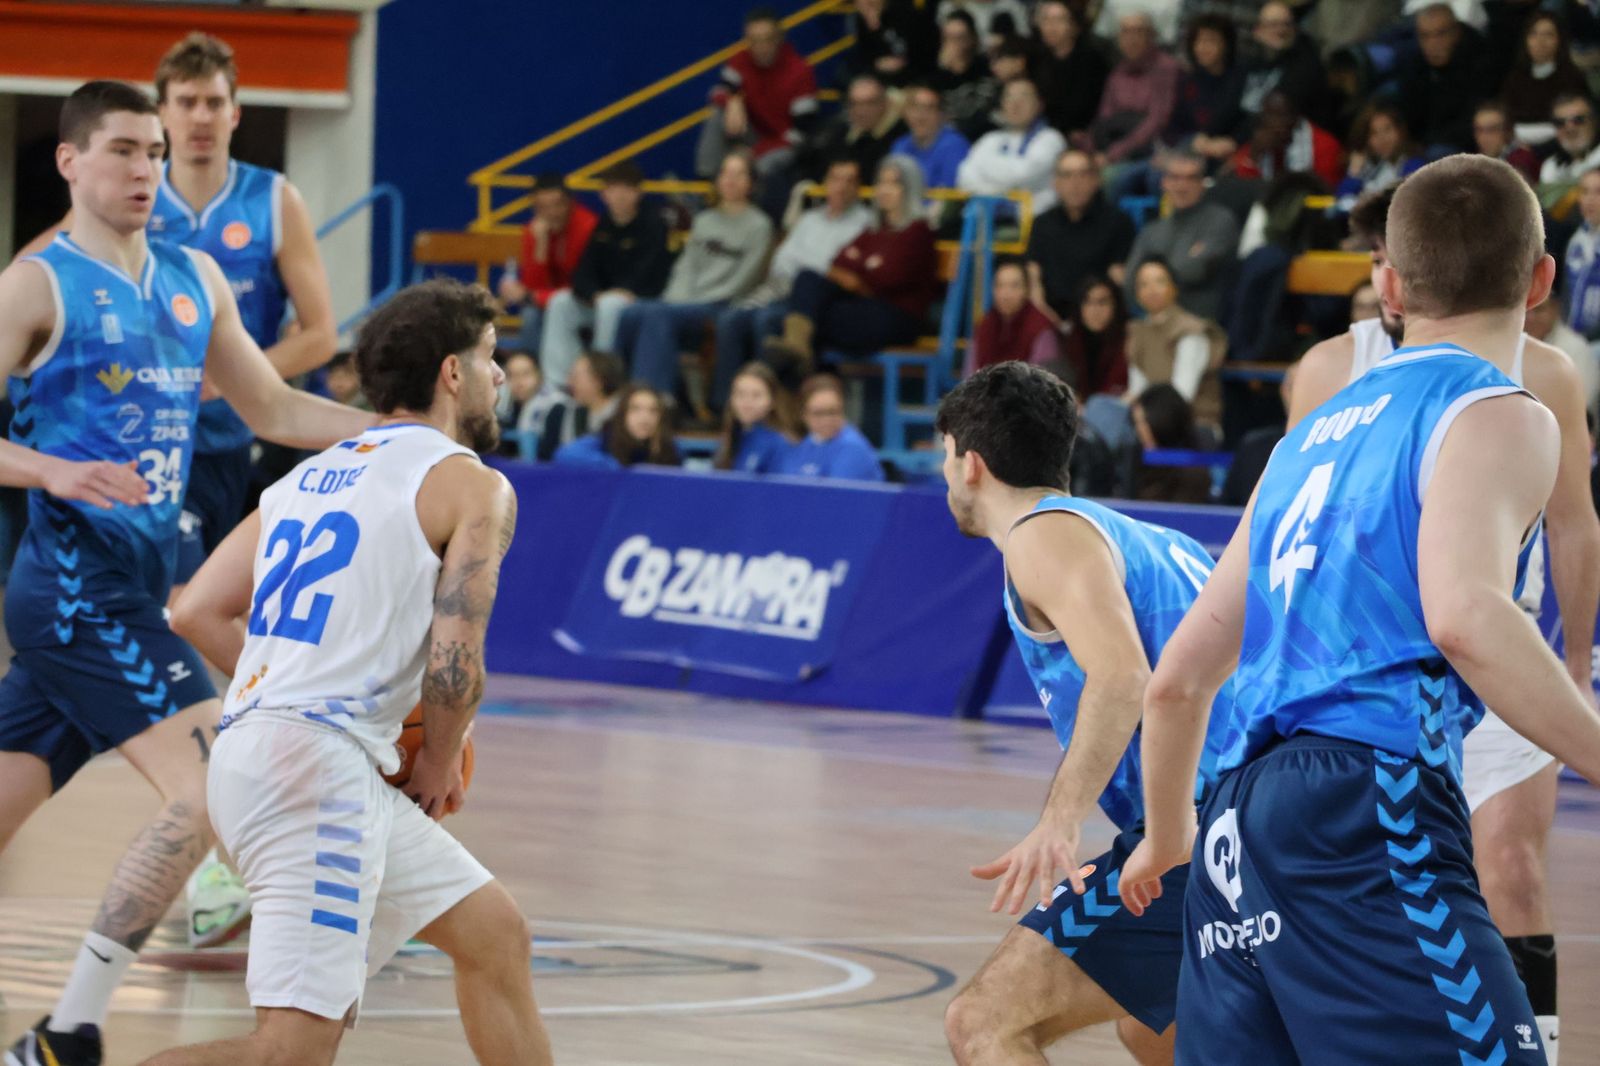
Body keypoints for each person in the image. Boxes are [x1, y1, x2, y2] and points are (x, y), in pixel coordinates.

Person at [1122, 153, 1600, 1066]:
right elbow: (1465, 615)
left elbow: (1178, 682)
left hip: (1237, 820)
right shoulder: (1500, 407)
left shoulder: (1307, 435)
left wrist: (1168, 841)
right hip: (1366, 800)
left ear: (1395, 280)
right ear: (1542, 280)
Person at [0, 81, 375, 1066]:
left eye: (155, 152)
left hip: (123, 588)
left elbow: (275, 410)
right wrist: (49, 467)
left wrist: (405, 438)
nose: (144, 170)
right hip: (78, 588)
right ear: (71, 162)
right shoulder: (39, 283)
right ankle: (69, 1028)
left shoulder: (193, 276)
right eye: (123, 150)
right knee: (213, 788)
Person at [142, 279, 552, 1066]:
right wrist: (432, 757)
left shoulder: (301, 482)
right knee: (289, 1053)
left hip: (266, 752)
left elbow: (196, 611)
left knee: (493, 934)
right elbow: (456, 661)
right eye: (491, 357)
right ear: (452, 373)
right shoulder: (473, 484)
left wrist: (295, 688)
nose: (501, 375)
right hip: (315, 772)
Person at [1286, 173, 1600, 1062]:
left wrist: (1575, 668)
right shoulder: (1328, 371)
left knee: (1510, 868)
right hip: (1369, 666)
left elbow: (1575, 525)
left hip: (1501, 647)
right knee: (1378, 894)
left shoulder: (1544, 375)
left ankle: (1531, 1046)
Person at [935, 361, 1236, 1066]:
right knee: (1155, 1027)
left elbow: (1124, 675)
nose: (943, 475)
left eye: (943, 458)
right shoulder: (1153, 540)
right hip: (1268, 812)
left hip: (1211, 823)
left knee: (983, 1023)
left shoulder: (1043, 537)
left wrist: (1058, 821)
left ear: (971, 464)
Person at [712, 156, 873, 412]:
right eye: (835, 179)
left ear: (859, 187)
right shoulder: (810, 218)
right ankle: (724, 408)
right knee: (730, 320)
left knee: (765, 321)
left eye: (849, 181)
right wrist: (816, 265)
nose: (840, 187)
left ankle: (771, 408)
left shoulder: (865, 223)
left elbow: (841, 272)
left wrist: (808, 264)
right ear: (825, 183)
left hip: (820, 303)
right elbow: (781, 261)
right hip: (781, 289)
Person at [762, 155, 938, 380]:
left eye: (894, 183)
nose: (885, 190)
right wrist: (863, 270)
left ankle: (806, 386)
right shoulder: (875, 229)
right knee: (808, 279)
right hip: (866, 306)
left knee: (805, 320)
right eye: (881, 182)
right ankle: (806, 372)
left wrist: (858, 274)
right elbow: (840, 263)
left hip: (898, 317)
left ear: (910, 188)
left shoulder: (918, 231)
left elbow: (889, 278)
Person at [613, 150, 772, 397]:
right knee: (631, 313)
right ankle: (618, 392)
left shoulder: (760, 225)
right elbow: (685, 267)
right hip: (688, 304)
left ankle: (655, 399)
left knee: (657, 314)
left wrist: (696, 301)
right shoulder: (705, 220)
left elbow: (747, 278)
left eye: (739, 174)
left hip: (722, 305)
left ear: (750, 183)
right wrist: (675, 300)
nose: (730, 180)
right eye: (725, 173)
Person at [538, 161, 672, 390]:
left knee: (610, 305)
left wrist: (624, 292)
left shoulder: (653, 224)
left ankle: (599, 382)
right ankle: (559, 383)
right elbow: (583, 272)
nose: (618, 196)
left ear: (638, 192)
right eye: (612, 189)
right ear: (603, 194)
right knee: (560, 303)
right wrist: (594, 294)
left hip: (640, 302)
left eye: (625, 189)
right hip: (603, 301)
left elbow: (654, 273)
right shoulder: (603, 225)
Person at [696, 6, 819, 179]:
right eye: (754, 40)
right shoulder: (740, 59)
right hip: (752, 134)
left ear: (779, 39)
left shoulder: (800, 71)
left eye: (767, 39)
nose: (761, 47)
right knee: (718, 114)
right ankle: (705, 182)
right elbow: (718, 92)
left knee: (766, 163)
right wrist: (733, 100)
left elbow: (801, 133)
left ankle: (747, 194)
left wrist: (754, 153)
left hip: (783, 143)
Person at [1122, 152, 1240, 322]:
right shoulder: (1152, 231)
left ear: (1202, 184)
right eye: (1175, 178)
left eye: (1191, 178)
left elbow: (1194, 270)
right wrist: (1184, 259)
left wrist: (1152, 279)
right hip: (1157, 327)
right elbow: (1130, 284)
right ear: (1164, 183)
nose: (1182, 186)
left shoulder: (1220, 220)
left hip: (1203, 325)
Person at [1026, 148, 1135, 322]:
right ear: (1055, 182)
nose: (1075, 183)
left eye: (1083, 175)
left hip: (1101, 321)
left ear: (1096, 180)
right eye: (1067, 175)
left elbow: (1119, 279)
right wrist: (1048, 321)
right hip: (1051, 319)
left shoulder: (1118, 222)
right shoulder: (1042, 223)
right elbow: (1033, 280)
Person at [497, 173, 598, 359]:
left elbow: (582, 286)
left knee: (548, 310)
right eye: (542, 207)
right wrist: (541, 246)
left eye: (557, 205)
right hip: (550, 302)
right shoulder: (534, 231)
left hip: (583, 303)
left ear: (570, 203)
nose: (551, 212)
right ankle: (528, 377)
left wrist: (534, 296)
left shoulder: (588, 227)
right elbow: (533, 288)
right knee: (530, 315)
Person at [1128, 257, 1226, 430]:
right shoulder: (1138, 331)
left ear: (1174, 288)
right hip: (1149, 421)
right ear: (1136, 294)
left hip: (1195, 425)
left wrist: (1143, 417)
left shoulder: (1190, 330)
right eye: (1144, 284)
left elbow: (1182, 396)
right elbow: (1137, 390)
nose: (1152, 290)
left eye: (1159, 282)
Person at [1079, 14, 1180, 166]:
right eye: (1125, 32)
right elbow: (1104, 117)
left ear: (1151, 35)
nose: (1132, 38)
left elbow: (1157, 120)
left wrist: (1113, 154)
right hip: (1115, 144)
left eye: (1138, 31)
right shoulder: (1117, 72)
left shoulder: (1165, 67)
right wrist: (1089, 151)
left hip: (1152, 149)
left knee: (1111, 179)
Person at [956, 78, 1066, 214]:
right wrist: (1007, 188)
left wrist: (984, 166)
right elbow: (965, 178)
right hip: (987, 222)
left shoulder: (1051, 139)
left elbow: (1024, 175)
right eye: (1009, 97)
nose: (1015, 104)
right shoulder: (989, 139)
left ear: (1039, 105)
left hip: (1035, 223)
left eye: (1024, 97)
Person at [1399, 3, 1493, 153]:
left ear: (1456, 32)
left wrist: (1428, 143)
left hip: (1464, 145)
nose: (1433, 43)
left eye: (1441, 34)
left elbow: (1471, 120)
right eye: (1425, 36)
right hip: (1428, 141)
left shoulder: (1479, 60)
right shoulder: (1416, 63)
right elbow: (1410, 113)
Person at [1165, 14, 1246, 169]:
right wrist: (1195, 141)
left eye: (1211, 41)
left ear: (1226, 45)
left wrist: (1232, 141)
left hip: (1227, 151)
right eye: (1199, 41)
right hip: (1189, 148)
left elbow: (1248, 120)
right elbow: (1172, 128)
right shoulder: (1188, 81)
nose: (1203, 48)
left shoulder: (1241, 79)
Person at [1226, 89, 1342, 189]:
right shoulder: (1259, 143)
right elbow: (1240, 189)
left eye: (1282, 115)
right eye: (1269, 115)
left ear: (1296, 118)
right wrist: (1254, 155)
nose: (1275, 124)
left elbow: (1327, 191)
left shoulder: (1325, 145)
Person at [1500, 11, 1587, 145]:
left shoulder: (1572, 77)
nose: (1540, 41)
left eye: (1548, 34)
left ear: (1560, 40)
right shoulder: (1515, 78)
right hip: (1517, 146)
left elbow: (1574, 122)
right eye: (1533, 34)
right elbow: (1506, 120)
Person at [774, 375, 884, 481]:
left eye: (833, 412)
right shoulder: (809, 442)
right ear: (803, 414)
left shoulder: (853, 448)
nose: (826, 420)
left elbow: (834, 495)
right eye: (818, 413)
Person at [1219, 360, 1298, 506]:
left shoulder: (1340, 449)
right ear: (1284, 392)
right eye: (1294, 387)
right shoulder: (1252, 446)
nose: (1300, 396)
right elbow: (1226, 508)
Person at [1029, 0, 1109, 141]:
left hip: (1082, 133)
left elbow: (1092, 106)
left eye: (1059, 20)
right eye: (1046, 20)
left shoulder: (1092, 60)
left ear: (1074, 26)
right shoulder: (1035, 58)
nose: (1051, 27)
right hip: (1041, 131)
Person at [555, 383, 681, 470]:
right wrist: (616, 467)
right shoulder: (604, 440)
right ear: (622, 414)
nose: (645, 418)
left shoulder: (669, 449)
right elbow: (565, 454)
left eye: (653, 411)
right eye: (635, 409)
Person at [965, 259, 1058, 375]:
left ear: (1026, 290)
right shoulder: (984, 325)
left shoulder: (1041, 328)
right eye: (999, 286)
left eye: (1014, 286)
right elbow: (969, 376)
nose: (1005, 294)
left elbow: (1043, 383)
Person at [1239, 1, 1326, 125]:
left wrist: (1235, 140)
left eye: (1286, 24)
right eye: (1273, 24)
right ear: (1257, 31)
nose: (1280, 30)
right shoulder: (1249, 62)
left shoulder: (1306, 66)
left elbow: (1278, 119)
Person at [1131, 384, 1214, 504]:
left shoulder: (1193, 475)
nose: (1139, 430)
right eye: (1136, 422)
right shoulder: (1134, 464)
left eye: (1144, 422)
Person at [537, 351, 625, 461]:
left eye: (575, 377)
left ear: (598, 380)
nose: (569, 383)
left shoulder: (626, 416)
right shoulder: (562, 413)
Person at [1526, 292, 1600, 420]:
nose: (1530, 317)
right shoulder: (1507, 342)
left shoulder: (1575, 348)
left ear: (1555, 309)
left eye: (1539, 310)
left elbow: (1583, 403)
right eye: (1526, 310)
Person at [714, 363, 798, 473]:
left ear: (772, 400)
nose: (747, 402)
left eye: (756, 395)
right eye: (740, 394)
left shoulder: (780, 445)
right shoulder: (730, 439)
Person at [1334, 100, 1424, 204]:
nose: (1382, 139)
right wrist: (1354, 173)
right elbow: (1341, 202)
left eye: (1387, 129)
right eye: (1374, 133)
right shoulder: (1371, 170)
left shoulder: (1415, 166)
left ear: (1400, 131)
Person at [1056, 276, 1130, 400]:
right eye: (1087, 302)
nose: (1094, 310)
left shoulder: (1129, 339)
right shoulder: (1069, 339)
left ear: (1116, 305)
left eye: (1102, 302)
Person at [890, 83, 971, 190]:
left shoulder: (955, 145)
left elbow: (948, 195)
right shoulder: (900, 145)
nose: (920, 116)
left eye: (929, 108)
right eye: (914, 108)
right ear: (905, 113)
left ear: (941, 114)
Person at [845, 0, 939, 87]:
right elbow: (861, 61)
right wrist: (873, 27)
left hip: (913, 79)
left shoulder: (907, 13)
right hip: (878, 81)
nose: (867, 2)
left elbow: (925, 57)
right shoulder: (858, 22)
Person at [495, 350, 559, 458]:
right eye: (512, 375)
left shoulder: (556, 407)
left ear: (540, 375)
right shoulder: (507, 409)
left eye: (525, 374)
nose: (519, 382)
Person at [1473, 99, 1541, 185]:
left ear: (1508, 131)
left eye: (1492, 130)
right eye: (1479, 130)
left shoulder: (1521, 160)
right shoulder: (1475, 162)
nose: (1484, 137)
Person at [1566, 169, 1600, 339]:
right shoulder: (1576, 241)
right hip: (1574, 338)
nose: (1590, 199)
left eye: (1598, 191)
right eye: (1585, 192)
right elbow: (1566, 295)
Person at [1539, 93, 1600, 186]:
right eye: (1560, 123)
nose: (1569, 128)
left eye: (1578, 120)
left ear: (1595, 122)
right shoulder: (1551, 167)